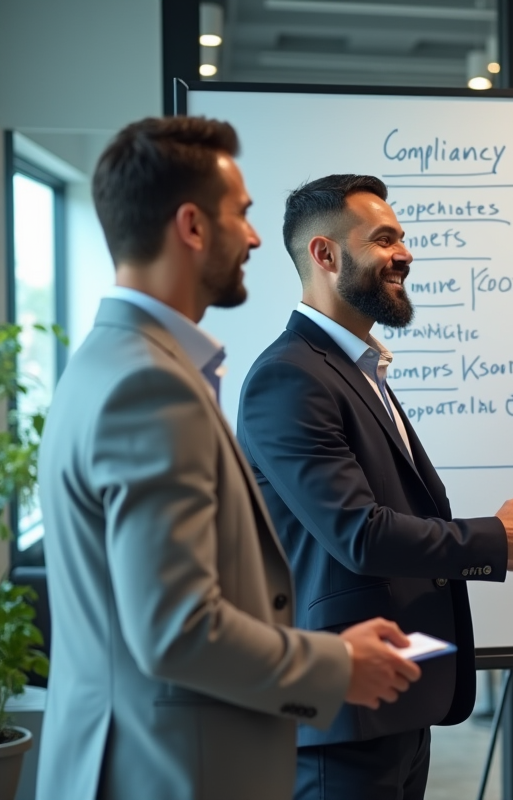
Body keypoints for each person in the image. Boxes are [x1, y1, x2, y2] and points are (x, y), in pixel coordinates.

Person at [36, 118, 422, 800]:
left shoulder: (105, 363)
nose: (252, 237)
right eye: (241, 215)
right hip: (166, 770)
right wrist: (335, 663)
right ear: (191, 226)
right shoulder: (147, 386)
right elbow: (177, 630)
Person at [237, 173, 513, 800]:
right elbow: (358, 534)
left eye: (403, 238)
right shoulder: (290, 377)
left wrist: (491, 537)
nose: (405, 254)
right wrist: (491, 539)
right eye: (384, 239)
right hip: (342, 715)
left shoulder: (359, 370)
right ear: (325, 254)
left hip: (394, 700)